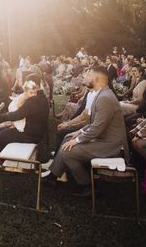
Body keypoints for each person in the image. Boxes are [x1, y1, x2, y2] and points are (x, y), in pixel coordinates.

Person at [43, 66, 127, 197]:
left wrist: (78, 140)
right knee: (67, 139)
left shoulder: (105, 98)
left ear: (97, 79)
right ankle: (52, 177)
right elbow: (94, 123)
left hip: (109, 145)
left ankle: (86, 186)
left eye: (88, 76)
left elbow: (97, 128)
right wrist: (78, 132)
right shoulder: (101, 94)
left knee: (67, 150)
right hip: (102, 138)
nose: (85, 78)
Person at [0, 75, 49, 163]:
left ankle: (4, 159)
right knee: (1, 130)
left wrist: (2, 117)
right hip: (36, 132)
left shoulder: (34, 100)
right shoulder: (42, 97)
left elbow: (17, 115)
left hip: (29, 135)